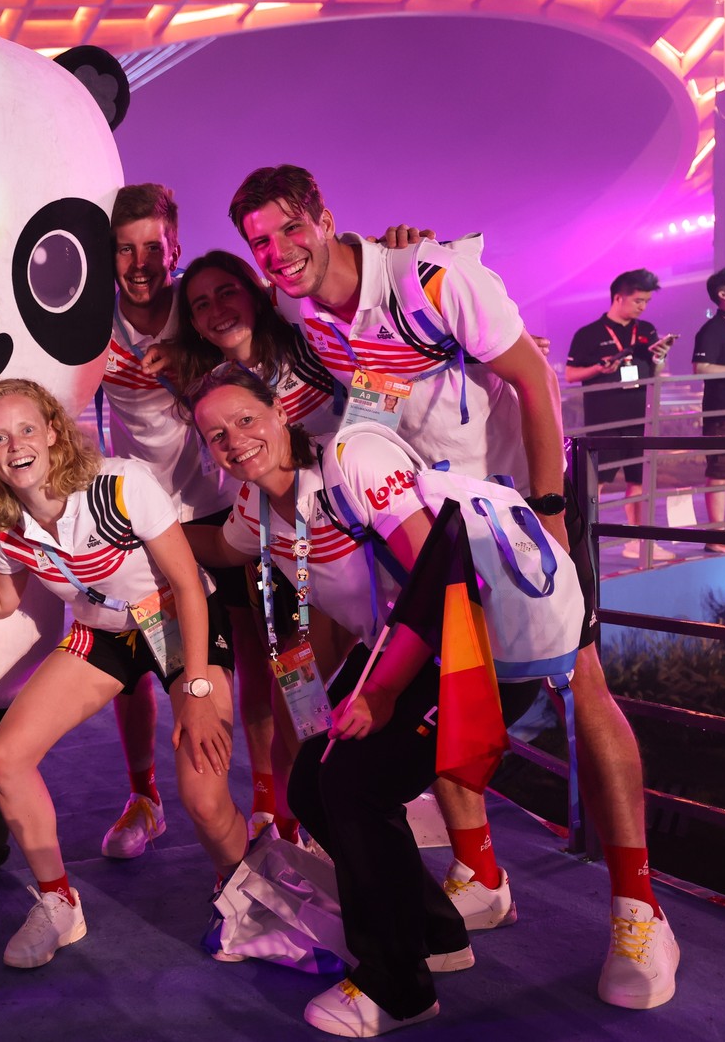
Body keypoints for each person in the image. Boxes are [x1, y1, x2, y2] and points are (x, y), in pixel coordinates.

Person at [228, 164, 679, 1012]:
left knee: (579, 682)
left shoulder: (431, 278)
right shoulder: (314, 323)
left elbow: (535, 386)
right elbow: (373, 407)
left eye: (290, 229)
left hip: (518, 509)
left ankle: (639, 906)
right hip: (432, 525)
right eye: (261, 242)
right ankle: (480, 868)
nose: (280, 252)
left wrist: (546, 514)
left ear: (325, 216)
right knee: (443, 678)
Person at [190, 365, 489, 1036]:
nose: (235, 439)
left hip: (462, 641)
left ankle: (398, 986)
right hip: (399, 655)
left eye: (245, 418)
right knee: (313, 785)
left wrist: (382, 691)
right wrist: (135, 528)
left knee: (351, 783)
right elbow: (213, 543)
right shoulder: (254, 508)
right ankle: (436, 933)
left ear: (279, 409)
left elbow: (440, 577)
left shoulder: (345, 468)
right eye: (216, 434)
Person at [0, 378, 242, 969]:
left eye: (27, 429)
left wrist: (201, 684)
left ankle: (245, 892)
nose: (16, 446)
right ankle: (59, 903)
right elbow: (4, 601)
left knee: (206, 799)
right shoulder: (2, 526)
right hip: (105, 638)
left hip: (178, 628)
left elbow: (188, 585)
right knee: (5, 756)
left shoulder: (120, 483)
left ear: (54, 431)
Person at [162, 250, 342, 843]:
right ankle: (288, 810)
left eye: (227, 292)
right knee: (285, 680)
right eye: (199, 304)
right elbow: (226, 543)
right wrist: (146, 531)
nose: (215, 310)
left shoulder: (304, 334)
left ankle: (328, 812)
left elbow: (374, 350)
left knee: (324, 694)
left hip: (349, 519)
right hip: (275, 535)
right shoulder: (207, 389)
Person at [93, 184, 231, 862]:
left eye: (154, 244)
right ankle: (144, 797)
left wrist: (188, 376)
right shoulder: (91, 318)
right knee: (137, 664)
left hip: (218, 507)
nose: (142, 261)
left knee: (255, 657)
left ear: (175, 242)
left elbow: (258, 368)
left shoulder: (204, 305)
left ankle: (269, 803)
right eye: (126, 247)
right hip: (140, 517)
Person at [564, 269, 675, 561]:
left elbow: (656, 374)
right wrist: (598, 370)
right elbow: (572, 374)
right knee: (595, 483)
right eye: (638, 300)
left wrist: (660, 357)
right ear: (618, 297)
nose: (643, 307)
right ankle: (580, 542)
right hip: (605, 419)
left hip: (641, 416)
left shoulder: (646, 331)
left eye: (647, 301)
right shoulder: (589, 334)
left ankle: (636, 541)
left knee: (638, 480)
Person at [692, 266, 725, 552]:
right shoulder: (714, 329)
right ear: (723, 294)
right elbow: (700, 368)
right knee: (720, 472)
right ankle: (716, 535)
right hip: (723, 413)